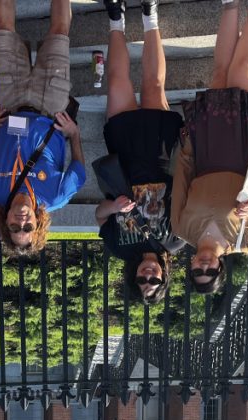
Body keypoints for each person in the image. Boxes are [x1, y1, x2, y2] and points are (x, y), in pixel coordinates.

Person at [171, 0, 248, 294]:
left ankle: (229, 6)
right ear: (219, 270)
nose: (203, 265)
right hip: (244, 153)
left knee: (220, 74)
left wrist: (189, 145)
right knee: (243, 72)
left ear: (191, 267)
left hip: (207, 150)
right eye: (209, 272)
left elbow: (181, 181)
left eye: (197, 271)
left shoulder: (181, 229)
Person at [0, 0, 87, 256]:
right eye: (28, 226)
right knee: (59, 32)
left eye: (15, 227)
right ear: (37, 224)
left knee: (4, 29)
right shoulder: (55, 198)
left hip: (10, 102)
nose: (22, 220)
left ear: (5, 224)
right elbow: (79, 172)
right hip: (50, 106)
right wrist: (73, 134)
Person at [94, 0, 182, 306]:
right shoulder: (175, 242)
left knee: (117, 83)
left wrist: (114, 207)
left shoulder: (119, 248)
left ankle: (115, 18)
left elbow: (99, 216)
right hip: (160, 154)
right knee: (154, 85)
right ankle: (149, 15)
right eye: (154, 282)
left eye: (141, 282)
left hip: (125, 157)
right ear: (163, 277)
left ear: (134, 277)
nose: (148, 276)